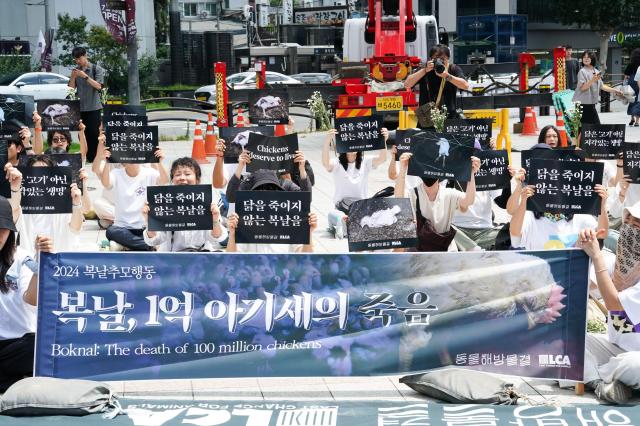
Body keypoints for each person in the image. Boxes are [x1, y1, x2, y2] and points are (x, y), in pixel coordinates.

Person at [576, 203, 640, 404]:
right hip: (616, 346)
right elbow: (589, 284)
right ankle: (601, 384)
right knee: (568, 343)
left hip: (634, 358)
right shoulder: (618, 262)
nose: (629, 227)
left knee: (634, 364)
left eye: (637, 224)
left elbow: (615, 305)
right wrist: (581, 247)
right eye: (627, 220)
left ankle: (592, 375)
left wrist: (596, 257)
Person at [0, 193, 54, 392]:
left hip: (19, 345)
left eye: (3, 229)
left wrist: (41, 261)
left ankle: (11, 380)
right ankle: (14, 381)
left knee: (38, 346)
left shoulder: (20, 258)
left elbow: (31, 299)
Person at [395, 152, 480, 251]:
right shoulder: (413, 193)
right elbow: (399, 198)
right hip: (420, 249)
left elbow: (468, 201)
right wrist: (403, 169)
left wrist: (471, 174)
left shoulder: (449, 193)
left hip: (443, 248)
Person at [508, 167, 609, 250]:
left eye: (562, 189)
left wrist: (602, 203)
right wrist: (523, 201)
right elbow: (515, 233)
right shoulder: (530, 216)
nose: (556, 194)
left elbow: (601, 234)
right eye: (551, 189)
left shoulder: (580, 215)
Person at [142, 157, 228, 252]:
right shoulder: (164, 202)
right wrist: (148, 220)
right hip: (172, 257)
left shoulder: (207, 201)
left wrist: (215, 220)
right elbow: (155, 240)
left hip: (200, 256)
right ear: (172, 179)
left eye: (187, 174)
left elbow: (217, 238)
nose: (182, 178)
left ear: (197, 179)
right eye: (177, 174)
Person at [226, 169, 318, 253]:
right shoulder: (245, 224)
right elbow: (232, 258)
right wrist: (233, 234)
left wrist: (308, 232)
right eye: (260, 192)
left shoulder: (291, 222)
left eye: (271, 191)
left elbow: (306, 256)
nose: (266, 197)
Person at [322, 128, 389, 238]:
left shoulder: (365, 162)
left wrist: (384, 141)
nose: (352, 147)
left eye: (355, 143)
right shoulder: (337, 163)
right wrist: (327, 141)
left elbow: (382, 158)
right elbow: (326, 163)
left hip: (361, 207)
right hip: (341, 208)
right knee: (339, 218)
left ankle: (351, 225)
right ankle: (343, 224)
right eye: (348, 143)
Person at [100, 147, 169, 251]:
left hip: (144, 227)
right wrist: (106, 162)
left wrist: (159, 162)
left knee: (158, 232)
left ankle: (128, 244)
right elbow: (106, 183)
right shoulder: (116, 173)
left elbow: (164, 180)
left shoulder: (149, 172)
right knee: (111, 231)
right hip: (122, 227)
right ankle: (148, 246)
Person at [404, 44, 470, 122]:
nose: (439, 62)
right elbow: (407, 84)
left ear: (448, 58)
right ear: (431, 59)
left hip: (448, 120)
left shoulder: (453, 69)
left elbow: (465, 86)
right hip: (427, 119)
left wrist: (447, 76)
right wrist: (424, 70)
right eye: (436, 59)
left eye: (442, 59)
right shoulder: (425, 69)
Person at [68, 46, 104, 163]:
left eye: (79, 58)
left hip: (94, 107)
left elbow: (99, 86)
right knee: (82, 133)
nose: (78, 61)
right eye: (76, 59)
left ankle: (94, 158)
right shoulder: (76, 71)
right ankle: (86, 157)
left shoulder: (96, 69)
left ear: (85, 55)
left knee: (94, 133)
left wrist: (85, 76)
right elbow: (71, 89)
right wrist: (73, 77)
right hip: (80, 108)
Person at [572, 50, 623, 126]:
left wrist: (615, 90)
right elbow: (582, 88)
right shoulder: (582, 71)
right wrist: (593, 80)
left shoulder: (596, 71)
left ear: (592, 59)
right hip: (582, 104)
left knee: (589, 128)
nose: (586, 59)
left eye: (588, 57)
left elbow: (602, 86)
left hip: (590, 104)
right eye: (584, 57)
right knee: (590, 127)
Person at [624, 48, 640, 126]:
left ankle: (632, 119)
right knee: (638, 101)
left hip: (631, 82)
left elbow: (626, 75)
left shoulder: (631, 64)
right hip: (639, 82)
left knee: (631, 100)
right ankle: (637, 121)